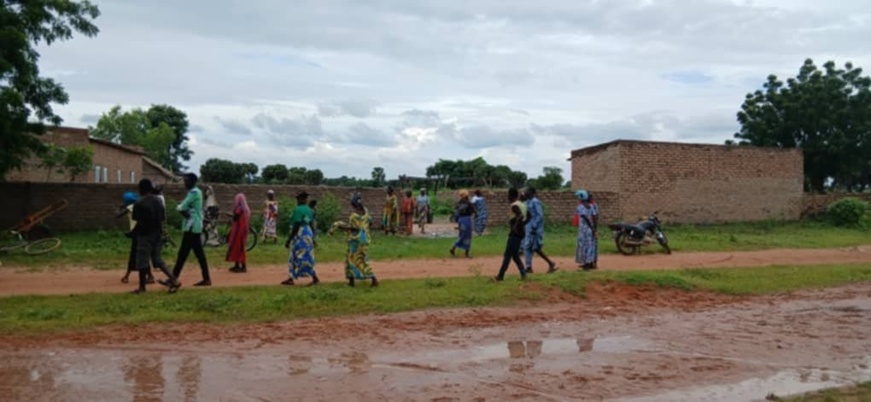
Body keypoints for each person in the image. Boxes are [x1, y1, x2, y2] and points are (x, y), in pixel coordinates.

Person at [161, 173, 211, 288]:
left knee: (183, 255)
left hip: (191, 227)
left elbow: (181, 207)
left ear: (192, 181)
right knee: (196, 255)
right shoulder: (195, 192)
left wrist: (181, 209)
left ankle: (173, 279)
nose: (184, 183)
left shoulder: (194, 193)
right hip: (193, 227)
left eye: (186, 181)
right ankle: (206, 279)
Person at [130, 179, 178, 294]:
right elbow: (162, 218)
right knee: (157, 260)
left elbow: (137, 221)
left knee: (142, 260)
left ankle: (142, 287)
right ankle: (174, 280)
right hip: (157, 234)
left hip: (144, 235)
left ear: (141, 189)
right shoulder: (158, 201)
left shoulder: (139, 203)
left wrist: (133, 233)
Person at [330, 192, 379, 287]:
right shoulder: (366, 211)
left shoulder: (354, 216)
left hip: (356, 240)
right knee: (362, 259)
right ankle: (353, 281)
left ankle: (372, 279)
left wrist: (340, 226)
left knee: (352, 259)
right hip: (364, 239)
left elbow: (353, 228)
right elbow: (370, 222)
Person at [283, 191, 319, 286]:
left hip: (300, 234)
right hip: (308, 233)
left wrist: (289, 239)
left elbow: (297, 225)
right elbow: (311, 224)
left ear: (299, 199)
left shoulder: (298, 210)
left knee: (293, 255)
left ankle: (291, 277)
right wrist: (313, 238)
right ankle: (314, 277)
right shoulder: (309, 210)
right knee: (308, 256)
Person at [118, 191, 154, 284]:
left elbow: (117, 215)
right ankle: (149, 275)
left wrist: (119, 207)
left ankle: (127, 276)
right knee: (142, 254)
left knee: (135, 255)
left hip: (136, 233)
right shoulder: (139, 206)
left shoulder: (131, 207)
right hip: (141, 232)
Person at [493, 188, 527, 281]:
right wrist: (523, 225)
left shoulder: (514, 205)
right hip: (521, 232)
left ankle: (500, 276)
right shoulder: (522, 204)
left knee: (507, 255)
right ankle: (523, 274)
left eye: (508, 195)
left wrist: (515, 227)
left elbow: (520, 216)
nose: (507, 197)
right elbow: (528, 216)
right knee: (515, 255)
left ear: (510, 196)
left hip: (515, 233)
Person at [522, 187, 557, 274]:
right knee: (527, 247)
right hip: (529, 228)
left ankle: (551, 263)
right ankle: (528, 267)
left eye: (527, 191)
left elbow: (540, 215)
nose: (525, 192)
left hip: (535, 229)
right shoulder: (527, 202)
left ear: (531, 192)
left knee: (536, 248)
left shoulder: (535, 202)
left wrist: (534, 226)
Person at [575, 189, 599, 270]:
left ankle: (586, 264)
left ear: (581, 197)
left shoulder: (580, 207)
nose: (578, 198)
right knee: (589, 246)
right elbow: (595, 218)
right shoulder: (591, 206)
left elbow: (585, 218)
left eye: (579, 197)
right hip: (590, 230)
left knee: (583, 246)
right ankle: (588, 263)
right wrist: (594, 229)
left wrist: (592, 228)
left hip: (584, 230)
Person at [227, 193, 251, 273]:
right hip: (241, 230)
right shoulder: (246, 209)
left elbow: (235, 216)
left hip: (239, 231)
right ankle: (237, 265)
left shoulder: (239, 208)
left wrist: (230, 215)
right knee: (238, 247)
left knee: (239, 247)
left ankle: (243, 266)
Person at [449, 189, 476, 258]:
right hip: (466, 220)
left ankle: (454, 248)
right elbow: (474, 211)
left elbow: (455, 212)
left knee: (462, 234)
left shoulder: (459, 203)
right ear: (466, 195)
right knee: (467, 236)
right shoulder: (468, 203)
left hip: (460, 220)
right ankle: (465, 252)